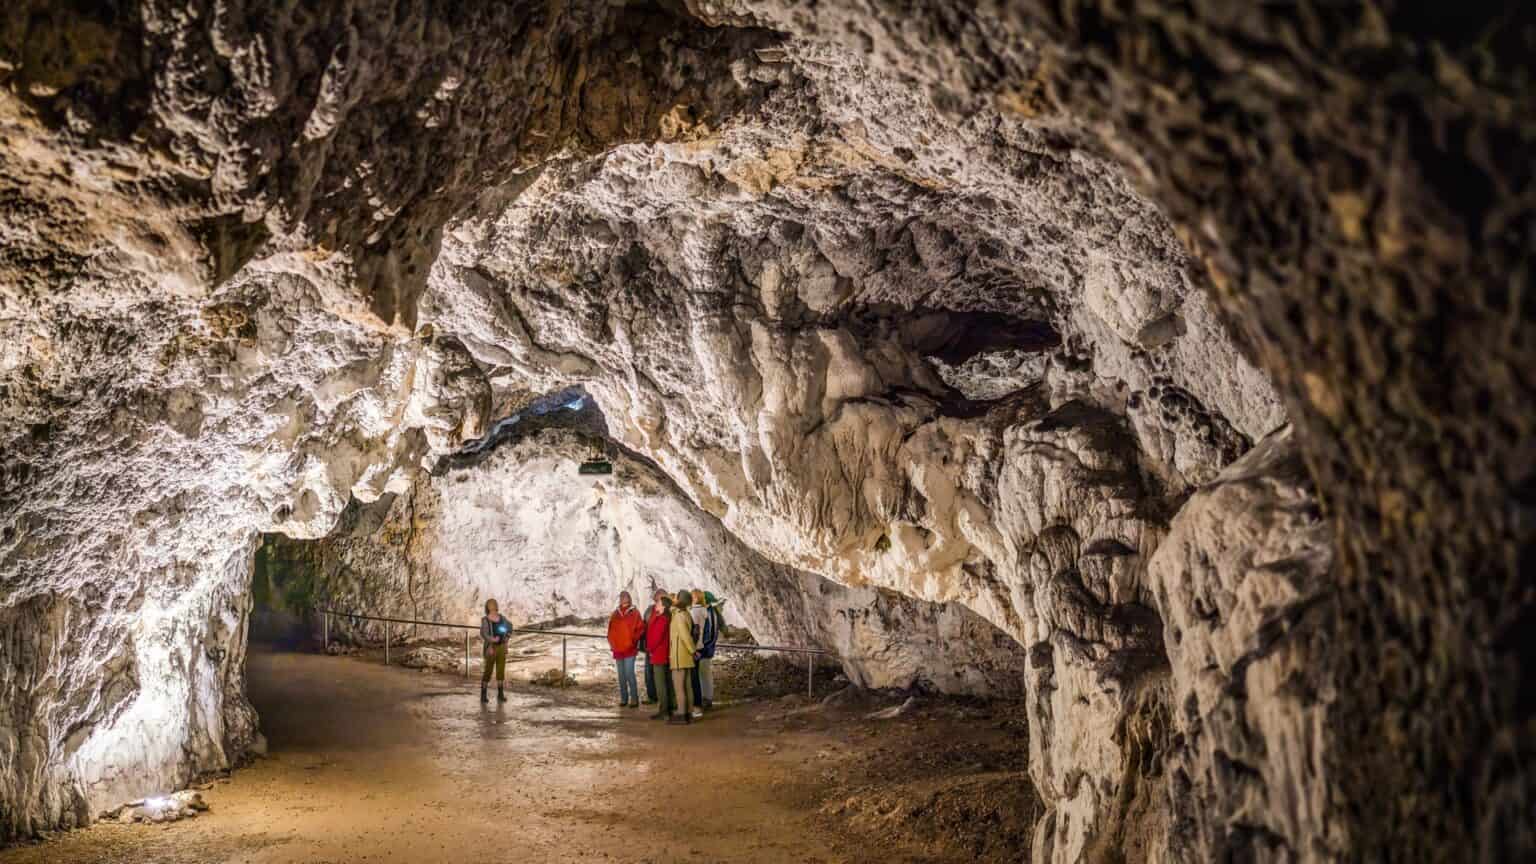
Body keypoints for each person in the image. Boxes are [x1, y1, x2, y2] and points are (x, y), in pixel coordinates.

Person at [606, 591, 645, 708]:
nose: (624, 598)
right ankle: (624, 698)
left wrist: (633, 641)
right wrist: (612, 642)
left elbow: (640, 628)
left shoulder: (635, 613)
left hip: (630, 649)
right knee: (621, 675)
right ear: (620, 599)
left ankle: (634, 698)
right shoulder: (615, 613)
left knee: (629, 674)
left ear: (629, 598)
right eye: (622, 596)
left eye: (626, 596)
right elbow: (611, 629)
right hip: (618, 649)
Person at [668, 590, 698, 724]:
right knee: (687, 686)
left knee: (679, 687)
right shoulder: (686, 613)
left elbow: (684, 635)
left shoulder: (679, 615)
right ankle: (689, 712)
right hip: (685, 655)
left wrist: (693, 650)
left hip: (679, 654)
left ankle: (681, 714)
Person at [645, 593, 675, 720]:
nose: (655, 604)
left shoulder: (662, 619)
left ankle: (664, 710)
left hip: (659, 654)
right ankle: (670, 707)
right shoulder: (666, 617)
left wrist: (649, 649)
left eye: (658, 603)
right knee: (667, 682)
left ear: (663, 607)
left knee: (660, 684)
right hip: (663, 654)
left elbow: (656, 637)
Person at [695, 591, 724, 710]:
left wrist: (702, 647)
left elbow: (709, 633)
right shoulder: (712, 612)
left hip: (705, 649)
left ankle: (706, 698)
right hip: (707, 648)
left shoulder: (708, 613)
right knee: (705, 674)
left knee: (704, 674)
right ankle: (706, 697)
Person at [480, 599, 512, 703]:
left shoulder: (502, 618)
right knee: (488, 670)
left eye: (494, 603)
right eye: (490, 604)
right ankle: (483, 695)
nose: (492, 605)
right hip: (491, 648)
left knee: (500, 670)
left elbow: (510, 627)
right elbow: (484, 633)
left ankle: (500, 694)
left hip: (501, 647)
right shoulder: (485, 620)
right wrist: (492, 640)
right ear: (487, 607)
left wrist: (506, 638)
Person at [640, 588, 668, 705]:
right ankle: (652, 696)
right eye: (655, 600)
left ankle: (665, 702)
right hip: (650, 647)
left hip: (660, 649)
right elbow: (644, 626)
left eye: (658, 600)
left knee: (662, 675)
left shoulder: (667, 613)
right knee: (649, 673)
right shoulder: (649, 611)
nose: (656, 602)